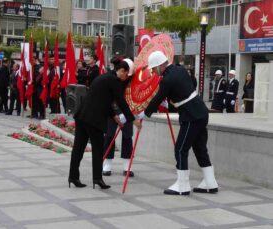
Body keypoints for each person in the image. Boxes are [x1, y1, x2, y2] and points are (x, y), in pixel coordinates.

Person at [139, 51, 218, 195]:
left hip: (190, 115)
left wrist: (144, 113)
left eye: (154, 68)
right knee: (200, 148)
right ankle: (210, 182)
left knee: (180, 149)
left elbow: (157, 98)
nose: (154, 72)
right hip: (201, 111)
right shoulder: (180, 69)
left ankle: (182, 185)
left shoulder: (166, 80)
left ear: (160, 66)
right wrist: (173, 96)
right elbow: (188, 85)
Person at [68, 59, 142, 189]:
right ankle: (97, 179)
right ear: (122, 71)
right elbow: (121, 102)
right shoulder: (115, 81)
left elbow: (104, 100)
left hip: (82, 116)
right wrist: (133, 120)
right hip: (93, 120)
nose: (126, 78)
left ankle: (73, 177)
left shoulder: (105, 77)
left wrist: (114, 116)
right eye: (126, 75)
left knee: (78, 148)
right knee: (98, 150)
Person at [103, 58, 135, 177]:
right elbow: (109, 98)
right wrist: (116, 112)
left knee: (127, 138)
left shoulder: (132, 78)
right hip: (112, 112)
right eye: (125, 74)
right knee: (109, 137)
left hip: (127, 112)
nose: (126, 77)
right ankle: (107, 165)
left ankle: (127, 166)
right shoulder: (111, 78)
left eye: (129, 75)